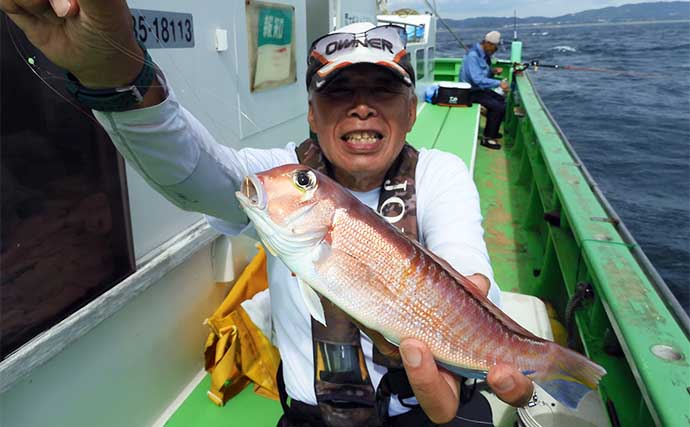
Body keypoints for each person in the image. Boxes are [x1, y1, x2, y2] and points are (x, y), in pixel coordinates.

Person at [1, 1, 534, 425]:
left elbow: (463, 263)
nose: (362, 106)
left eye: (383, 90)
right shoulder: (286, 175)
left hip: (427, 405)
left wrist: (477, 339)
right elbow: (192, 172)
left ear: (412, 111)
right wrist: (114, 76)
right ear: (311, 113)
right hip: (310, 414)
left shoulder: (439, 173)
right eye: (339, 91)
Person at [460, 31, 510, 150]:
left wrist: (492, 72)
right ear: (488, 44)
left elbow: (482, 73)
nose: (495, 50)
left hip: (478, 89)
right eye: (495, 47)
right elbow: (477, 79)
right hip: (469, 92)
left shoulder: (483, 54)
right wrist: (499, 83)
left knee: (501, 100)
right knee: (497, 107)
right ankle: (488, 138)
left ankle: (493, 130)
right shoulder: (473, 56)